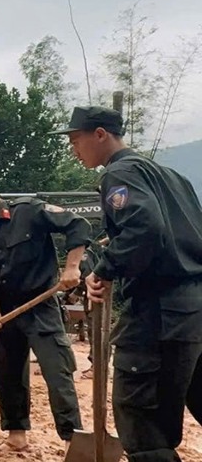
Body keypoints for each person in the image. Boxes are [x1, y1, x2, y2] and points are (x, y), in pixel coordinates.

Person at [54, 105, 202, 461]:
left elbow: (144, 227)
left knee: (142, 423)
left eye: (76, 140)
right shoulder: (172, 178)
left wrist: (104, 269)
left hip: (160, 313)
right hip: (196, 308)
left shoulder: (120, 173)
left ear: (101, 134)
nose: (74, 150)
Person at [0, 170, 90, 453]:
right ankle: (17, 435)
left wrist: (72, 267)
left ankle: (71, 439)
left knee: (57, 371)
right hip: (5, 311)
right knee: (7, 375)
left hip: (39, 303)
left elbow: (77, 224)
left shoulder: (28, 211)